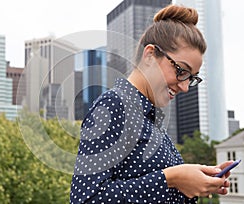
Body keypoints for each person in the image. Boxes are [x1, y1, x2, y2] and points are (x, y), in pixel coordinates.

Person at [70, 4, 232, 204]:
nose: (185, 87)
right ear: (149, 55)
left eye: (191, 78)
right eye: (181, 71)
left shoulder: (150, 120)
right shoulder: (114, 106)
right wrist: (171, 178)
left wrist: (196, 181)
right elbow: (86, 199)